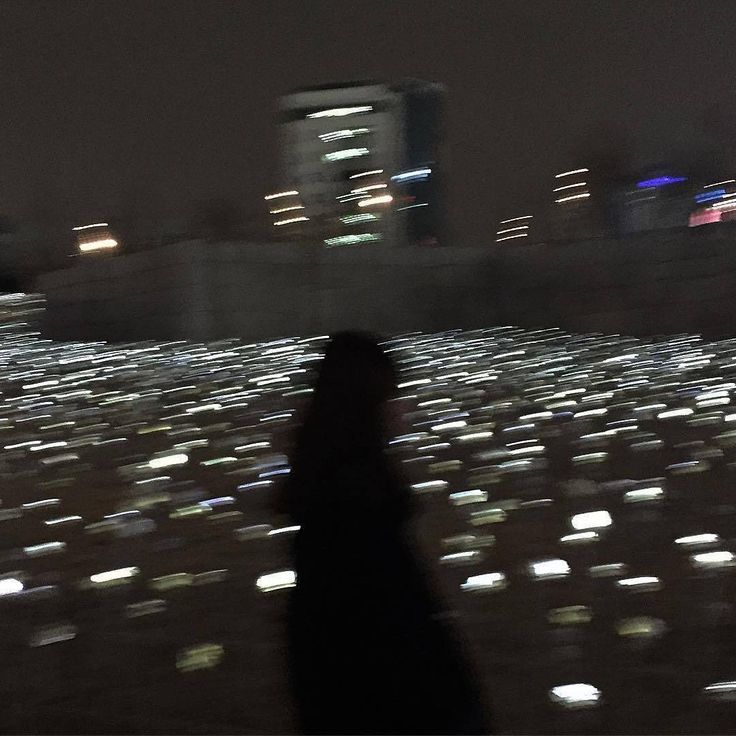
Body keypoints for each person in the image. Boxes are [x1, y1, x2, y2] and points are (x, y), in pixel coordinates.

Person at [279, 331, 490, 735]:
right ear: (367, 406)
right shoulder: (356, 509)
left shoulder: (331, 498)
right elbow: (394, 637)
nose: (402, 410)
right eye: (392, 395)